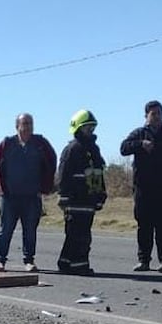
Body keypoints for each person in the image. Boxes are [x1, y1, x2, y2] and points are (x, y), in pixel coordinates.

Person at [119, 100, 162, 272]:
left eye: (159, 113)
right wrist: (140, 144)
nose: (156, 117)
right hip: (143, 188)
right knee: (144, 225)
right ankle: (144, 260)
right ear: (146, 116)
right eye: (153, 114)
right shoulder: (139, 133)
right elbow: (123, 148)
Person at [0, 113, 57, 272]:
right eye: (25, 123)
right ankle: (0, 261)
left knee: (30, 230)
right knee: (5, 230)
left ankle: (29, 261)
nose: (28, 127)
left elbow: (52, 161)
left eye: (30, 123)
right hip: (10, 197)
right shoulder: (7, 143)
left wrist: (46, 186)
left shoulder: (40, 143)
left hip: (32, 196)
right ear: (17, 126)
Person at [56, 109, 107, 275]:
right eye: (87, 127)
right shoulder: (72, 149)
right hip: (74, 199)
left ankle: (65, 262)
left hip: (89, 200)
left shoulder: (94, 149)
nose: (90, 130)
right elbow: (63, 174)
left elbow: (98, 173)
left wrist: (101, 195)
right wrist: (63, 197)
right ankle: (80, 266)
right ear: (78, 128)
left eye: (92, 127)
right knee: (78, 235)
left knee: (79, 234)